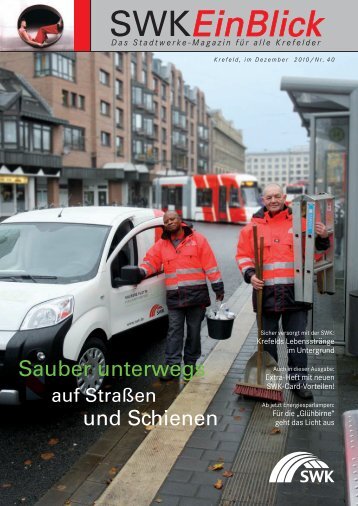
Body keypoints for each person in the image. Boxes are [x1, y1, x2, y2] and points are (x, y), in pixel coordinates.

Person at [236, 183, 330, 399]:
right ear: (263, 200)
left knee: (296, 341)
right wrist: (250, 275)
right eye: (269, 197)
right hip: (266, 294)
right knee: (268, 341)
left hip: (297, 293)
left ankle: (299, 383)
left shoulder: (301, 223)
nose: (273, 200)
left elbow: (316, 254)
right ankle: (269, 383)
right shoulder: (251, 228)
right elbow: (242, 256)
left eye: (277, 196)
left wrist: (323, 237)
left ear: (284, 197)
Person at [140, 211, 224, 380]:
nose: (170, 222)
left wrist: (217, 286)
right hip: (175, 296)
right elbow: (151, 260)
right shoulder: (162, 244)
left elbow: (210, 264)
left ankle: (190, 364)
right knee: (174, 332)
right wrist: (141, 271)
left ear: (180, 221)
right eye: (166, 221)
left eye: (173, 219)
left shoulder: (198, 240)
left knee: (193, 332)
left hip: (196, 296)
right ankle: (172, 367)